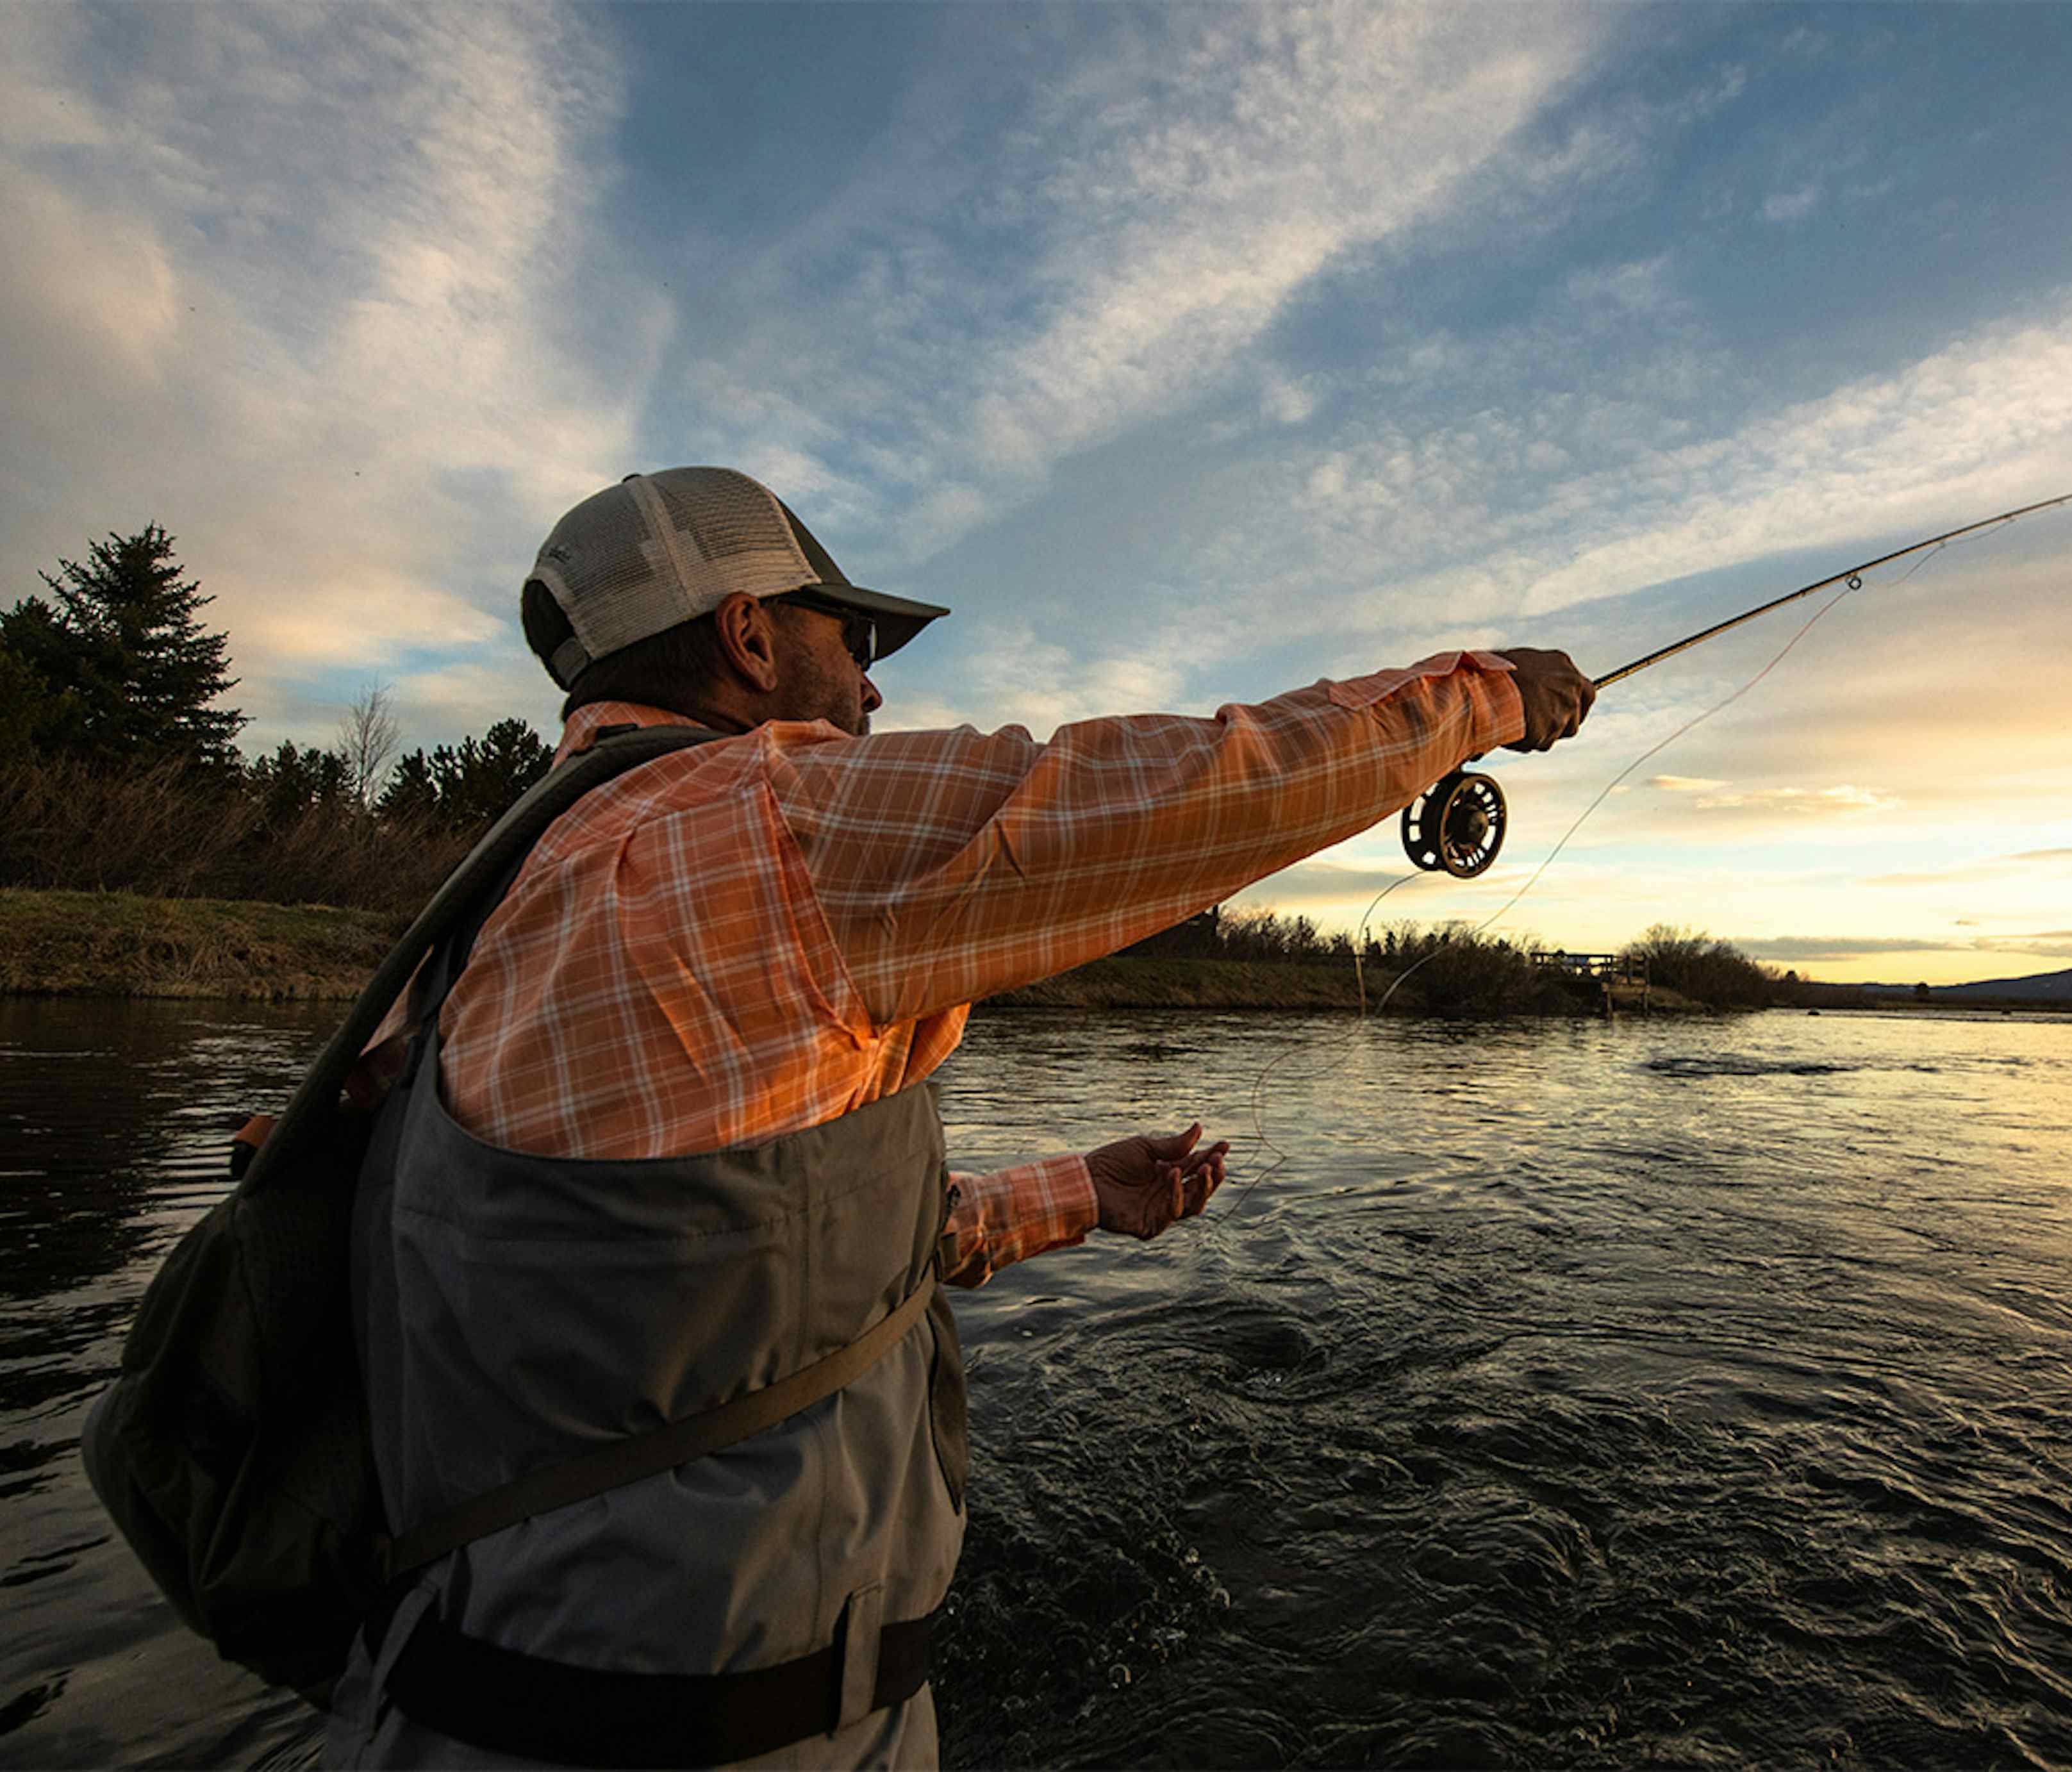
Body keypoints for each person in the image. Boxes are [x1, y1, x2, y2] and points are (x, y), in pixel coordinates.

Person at [325, 465, 1594, 1768]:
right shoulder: (760, 828)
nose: (873, 686)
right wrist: (1482, 698)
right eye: (852, 640)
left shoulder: (478, 909)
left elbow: (695, 1284)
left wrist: (1075, 1198)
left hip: (425, 1707)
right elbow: (1197, 789)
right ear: (749, 637)